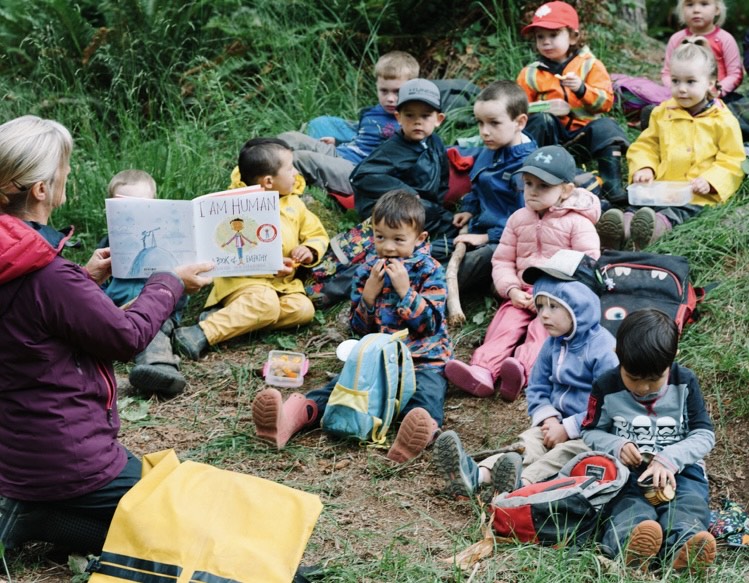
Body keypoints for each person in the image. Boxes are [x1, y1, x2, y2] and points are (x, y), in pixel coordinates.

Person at [0, 115, 212, 553]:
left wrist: (84, 278)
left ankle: (34, 514)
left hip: (14, 452)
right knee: (185, 522)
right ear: (41, 189)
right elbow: (126, 337)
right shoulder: (51, 278)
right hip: (66, 457)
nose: (69, 176)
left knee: (140, 526)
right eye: (65, 170)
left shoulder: (22, 262)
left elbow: (27, 313)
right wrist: (169, 282)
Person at [251, 190, 452, 463]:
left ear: (420, 239)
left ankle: (415, 436)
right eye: (380, 237)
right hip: (377, 360)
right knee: (338, 387)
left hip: (422, 360)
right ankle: (287, 420)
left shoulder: (431, 270)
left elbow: (430, 325)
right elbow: (359, 330)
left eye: (398, 239)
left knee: (426, 397)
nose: (388, 247)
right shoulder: (368, 271)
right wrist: (368, 296)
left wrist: (406, 293)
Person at [435, 250, 618, 498]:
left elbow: (609, 402)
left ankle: (519, 484)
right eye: (541, 304)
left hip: (588, 431)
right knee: (526, 444)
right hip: (553, 424)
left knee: (562, 456)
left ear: (581, 306)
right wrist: (549, 419)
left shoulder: (603, 348)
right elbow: (538, 389)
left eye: (554, 306)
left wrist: (569, 428)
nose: (543, 314)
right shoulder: (551, 345)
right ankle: (476, 474)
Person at [445, 145, 601, 401]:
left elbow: (586, 264)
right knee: (505, 325)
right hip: (522, 292)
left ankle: (522, 370)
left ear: (566, 190)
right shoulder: (518, 219)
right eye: (528, 184)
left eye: (543, 186)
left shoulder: (578, 222)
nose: (533, 191)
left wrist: (555, 294)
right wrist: (512, 289)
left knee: (544, 331)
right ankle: (482, 370)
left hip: (559, 298)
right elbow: (503, 260)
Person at [581, 309, 717, 573]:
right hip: (628, 473)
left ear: (672, 359)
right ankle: (630, 545)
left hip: (681, 472)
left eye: (654, 380)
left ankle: (684, 549)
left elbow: (704, 434)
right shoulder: (606, 385)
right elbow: (589, 431)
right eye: (633, 378)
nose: (643, 389)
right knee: (627, 508)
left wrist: (670, 459)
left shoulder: (685, 381)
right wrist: (617, 446)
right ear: (617, 354)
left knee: (687, 506)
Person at [173, 138, 329, 360]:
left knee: (303, 310)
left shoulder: (295, 205)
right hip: (243, 282)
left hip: (283, 286)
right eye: (290, 168)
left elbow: (317, 234)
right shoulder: (236, 206)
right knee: (266, 303)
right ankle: (200, 333)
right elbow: (228, 251)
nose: (296, 173)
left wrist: (310, 249)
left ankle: (232, 317)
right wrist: (270, 266)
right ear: (268, 181)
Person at [597, 37, 745, 251]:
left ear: (710, 83)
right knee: (638, 204)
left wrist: (711, 180)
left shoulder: (723, 120)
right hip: (659, 186)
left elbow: (732, 158)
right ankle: (620, 229)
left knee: (678, 212)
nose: (682, 89)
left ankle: (654, 230)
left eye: (690, 82)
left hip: (694, 192)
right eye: (676, 81)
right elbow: (647, 145)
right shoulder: (662, 113)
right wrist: (645, 167)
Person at [516, 1, 629, 206]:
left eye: (553, 35)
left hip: (583, 135)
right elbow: (519, 109)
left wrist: (582, 89)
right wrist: (544, 107)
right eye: (540, 37)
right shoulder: (530, 72)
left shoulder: (589, 65)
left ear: (573, 36)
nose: (546, 42)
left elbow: (606, 102)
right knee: (540, 120)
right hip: (551, 138)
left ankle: (612, 182)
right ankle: (540, 170)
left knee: (607, 126)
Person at [278, 51, 419, 196]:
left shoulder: (411, 123)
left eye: (397, 92)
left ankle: (269, 188)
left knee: (300, 158)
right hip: (341, 152)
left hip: (358, 171)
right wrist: (338, 142)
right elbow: (364, 140)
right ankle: (257, 163)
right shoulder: (372, 113)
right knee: (290, 138)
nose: (390, 98)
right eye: (384, 91)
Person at [98, 169, 188, 397]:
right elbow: (97, 284)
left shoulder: (167, 243)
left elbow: (179, 283)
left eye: (141, 206)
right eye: (123, 208)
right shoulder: (109, 243)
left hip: (156, 311)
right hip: (117, 309)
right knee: (100, 325)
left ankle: (160, 368)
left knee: (153, 332)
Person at [350, 78, 457, 261]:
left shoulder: (435, 143)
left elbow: (442, 179)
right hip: (394, 212)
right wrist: (406, 192)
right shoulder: (392, 149)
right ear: (398, 117)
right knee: (442, 222)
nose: (417, 122)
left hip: (425, 208)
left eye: (425, 116)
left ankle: (428, 248)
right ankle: (416, 252)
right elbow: (360, 176)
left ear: (438, 119)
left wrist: (438, 204)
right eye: (409, 115)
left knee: (453, 224)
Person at [450, 80, 537, 290]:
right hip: (479, 227)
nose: (484, 131)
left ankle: (425, 290)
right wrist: (469, 209)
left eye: (494, 123)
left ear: (520, 122)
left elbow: (527, 221)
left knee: (469, 266)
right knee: (437, 245)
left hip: (506, 241)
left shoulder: (527, 168)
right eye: (480, 123)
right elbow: (477, 185)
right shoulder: (490, 150)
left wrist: (487, 237)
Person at [661, 0, 742, 102]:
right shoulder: (676, 39)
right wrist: (675, 90)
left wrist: (715, 92)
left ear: (717, 10)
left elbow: (735, 75)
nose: (696, 10)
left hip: (717, 99)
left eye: (704, 4)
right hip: (683, 97)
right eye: (690, 5)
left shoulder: (725, 39)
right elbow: (667, 73)